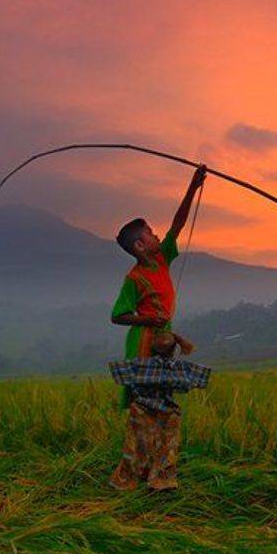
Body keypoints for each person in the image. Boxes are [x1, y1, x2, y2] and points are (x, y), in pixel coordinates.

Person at [109, 164, 208, 407]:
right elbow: (118, 316)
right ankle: (141, 443)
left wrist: (193, 187)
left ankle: (158, 443)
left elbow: (177, 225)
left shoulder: (162, 259)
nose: (157, 236)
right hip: (143, 342)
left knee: (161, 393)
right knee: (143, 396)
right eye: (151, 234)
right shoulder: (134, 278)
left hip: (163, 340)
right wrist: (148, 320)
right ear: (140, 247)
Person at [108, 330, 210, 490]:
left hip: (140, 411)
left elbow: (117, 373)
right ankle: (162, 482)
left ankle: (125, 481)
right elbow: (201, 378)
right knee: (166, 449)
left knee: (136, 447)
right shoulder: (181, 369)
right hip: (168, 414)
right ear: (173, 350)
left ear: (151, 348)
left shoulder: (138, 365)